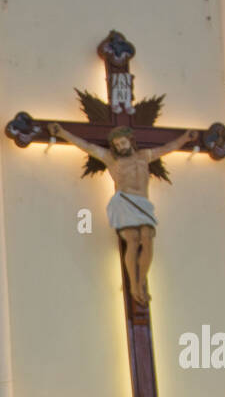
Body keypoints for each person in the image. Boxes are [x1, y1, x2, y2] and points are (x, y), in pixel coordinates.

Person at [48, 122, 198, 304]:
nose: (120, 147)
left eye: (123, 143)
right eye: (117, 145)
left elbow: (168, 148)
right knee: (133, 240)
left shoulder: (144, 156)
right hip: (124, 202)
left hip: (143, 203)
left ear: (131, 141)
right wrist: (63, 133)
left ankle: (141, 280)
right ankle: (134, 285)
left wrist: (185, 138)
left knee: (148, 239)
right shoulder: (112, 160)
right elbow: (87, 146)